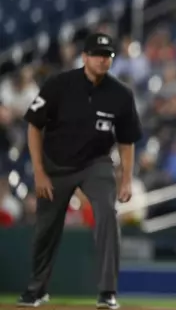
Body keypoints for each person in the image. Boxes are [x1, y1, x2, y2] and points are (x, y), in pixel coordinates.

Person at [18, 33, 142, 309]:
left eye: (108, 55)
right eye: (97, 54)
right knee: (45, 229)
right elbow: (34, 126)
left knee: (108, 215)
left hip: (95, 164)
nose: (103, 60)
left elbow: (126, 140)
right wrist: (39, 171)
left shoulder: (121, 94)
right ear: (84, 57)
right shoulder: (58, 84)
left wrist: (126, 179)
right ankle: (36, 289)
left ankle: (107, 291)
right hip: (55, 166)